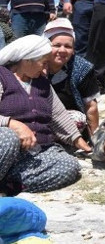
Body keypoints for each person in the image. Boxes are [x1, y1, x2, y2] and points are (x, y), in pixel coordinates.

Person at [0, 35, 90, 194]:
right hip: (5, 149)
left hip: (30, 156)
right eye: (43, 63)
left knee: (70, 166)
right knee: (8, 137)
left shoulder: (42, 82)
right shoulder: (2, 77)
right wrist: (12, 123)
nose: (45, 69)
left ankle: (9, 185)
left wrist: (80, 142)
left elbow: (59, 114)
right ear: (27, 60)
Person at [43, 19, 100, 136]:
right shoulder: (33, 65)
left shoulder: (83, 68)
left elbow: (91, 106)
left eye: (68, 46)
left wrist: (95, 139)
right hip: (37, 115)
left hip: (66, 119)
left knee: (77, 120)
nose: (62, 50)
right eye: (57, 45)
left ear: (73, 50)